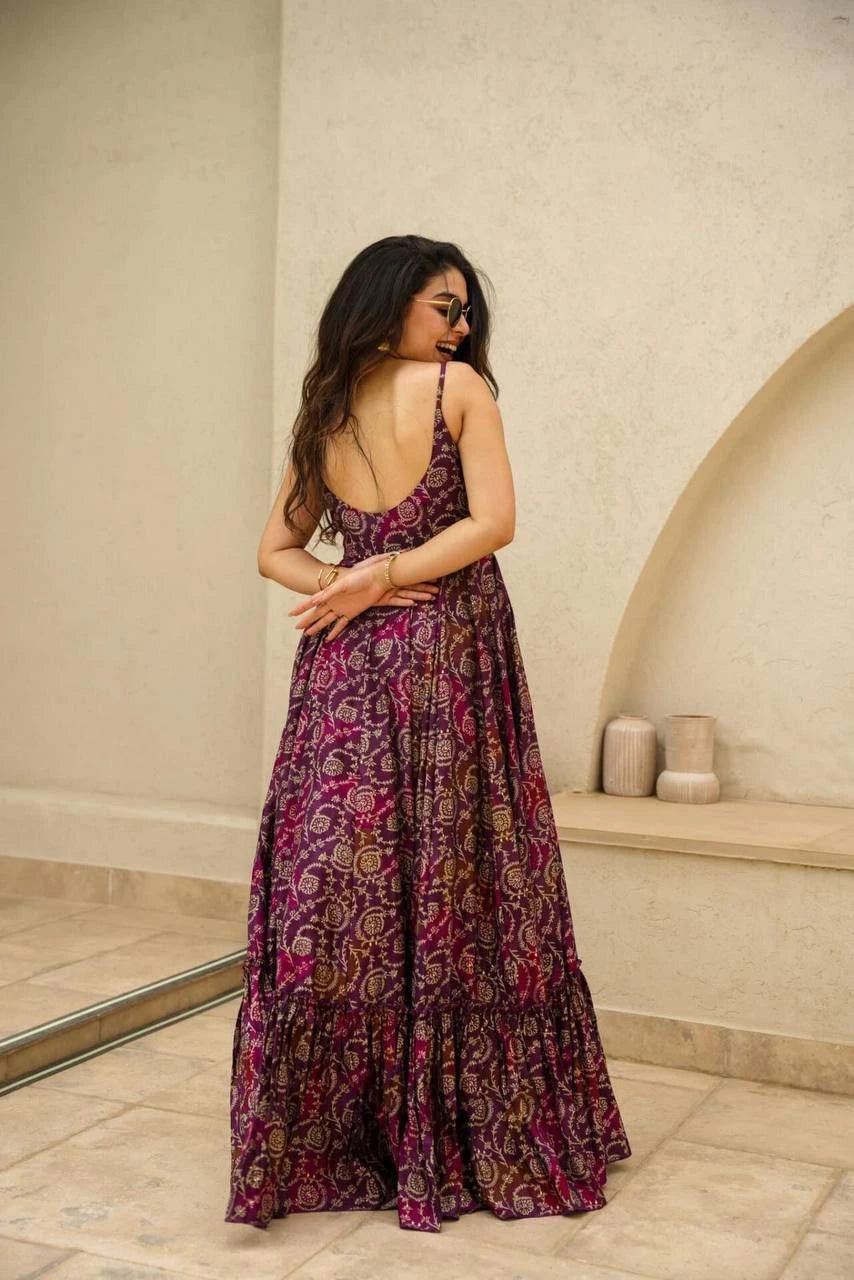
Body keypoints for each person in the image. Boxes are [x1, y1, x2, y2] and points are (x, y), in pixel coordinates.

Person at [224, 234, 631, 1233]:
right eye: (444, 308)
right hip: (440, 651)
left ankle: (362, 1133)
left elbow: (283, 552)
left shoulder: (341, 402)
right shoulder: (449, 391)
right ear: (390, 304)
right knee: (443, 878)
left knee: (372, 881)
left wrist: (356, 581)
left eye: (462, 314)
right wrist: (372, 581)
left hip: (361, 665)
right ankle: (404, 1131)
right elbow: (490, 523)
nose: (458, 328)